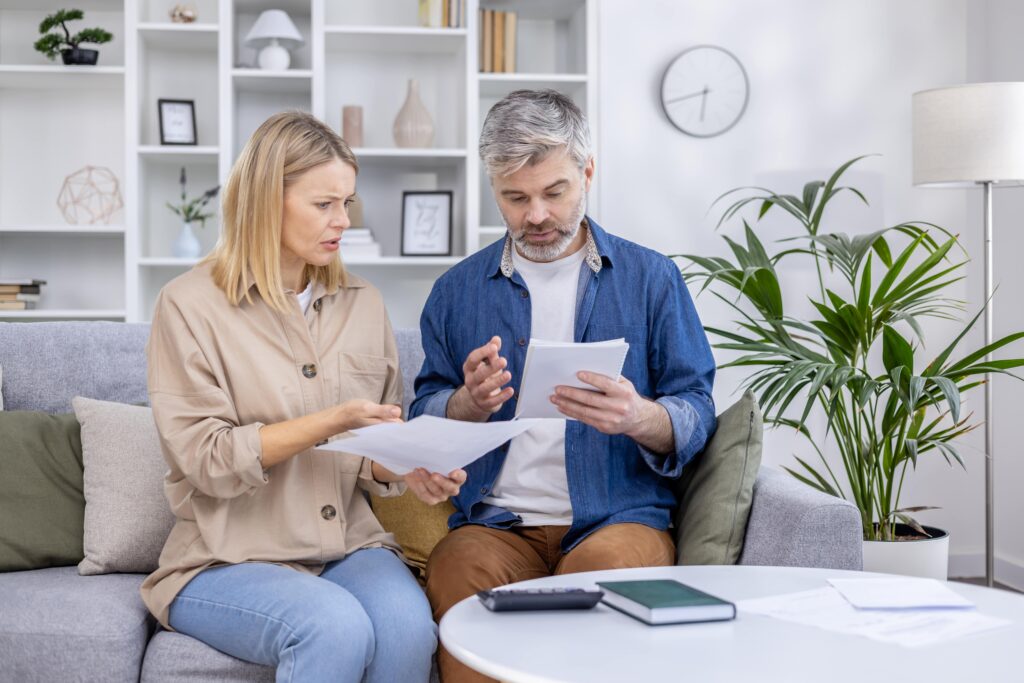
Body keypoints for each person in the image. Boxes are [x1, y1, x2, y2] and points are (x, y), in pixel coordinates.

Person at [140, 111, 465, 683]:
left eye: (348, 203)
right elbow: (207, 460)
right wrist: (328, 420)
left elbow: (368, 453)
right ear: (267, 200)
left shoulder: (363, 302)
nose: (342, 221)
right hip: (224, 558)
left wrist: (411, 468)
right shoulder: (187, 306)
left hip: (347, 545)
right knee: (332, 625)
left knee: (409, 629)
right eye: (324, 204)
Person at [411, 90, 717, 682]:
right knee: (456, 573)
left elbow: (697, 408)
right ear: (493, 187)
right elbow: (425, 407)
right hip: (497, 525)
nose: (536, 216)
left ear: (588, 173)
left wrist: (638, 416)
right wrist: (465, 404)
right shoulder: (456, 292)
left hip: (618, 518)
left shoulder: (652, 278)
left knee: (609, 586)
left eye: (555, 192)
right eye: (515, 197)